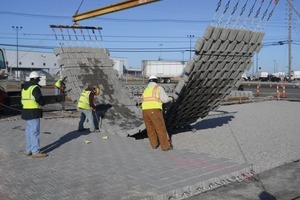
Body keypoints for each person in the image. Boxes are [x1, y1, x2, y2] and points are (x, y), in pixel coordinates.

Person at [141, 75, 174, 151]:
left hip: (145, 111)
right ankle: (165, 147)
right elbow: (165, 100)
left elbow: (142, 99)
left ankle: (154, 145)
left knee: (150, 129)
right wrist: (171, 99)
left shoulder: (146, 90)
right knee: (160, 128)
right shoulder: (158, 88)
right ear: (156, 81)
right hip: (154, 110)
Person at [21, 71, 47, 158]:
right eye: (38, 79)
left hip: (26, 111)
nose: (39, 81)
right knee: (34, 132)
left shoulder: (25, 87)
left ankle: (29, 150)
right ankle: (35, 152)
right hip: (33, 112)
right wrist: (43, 103)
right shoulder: (35, 88)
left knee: (29, 132)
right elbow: (38, 99)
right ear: (36, 79)